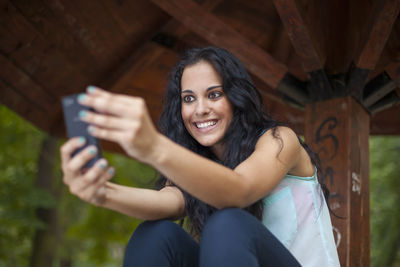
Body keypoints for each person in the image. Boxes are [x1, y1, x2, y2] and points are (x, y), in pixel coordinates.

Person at [60, 46, 340, 266]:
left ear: (236, 98)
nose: (200, 109)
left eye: (214, 94)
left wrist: (154, 147)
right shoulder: (200, 168)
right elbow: (164, 200)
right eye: (189, 98)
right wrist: (102, 192)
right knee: (156, 235)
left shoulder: (280, 141)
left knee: (228, 223)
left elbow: (239, 189)